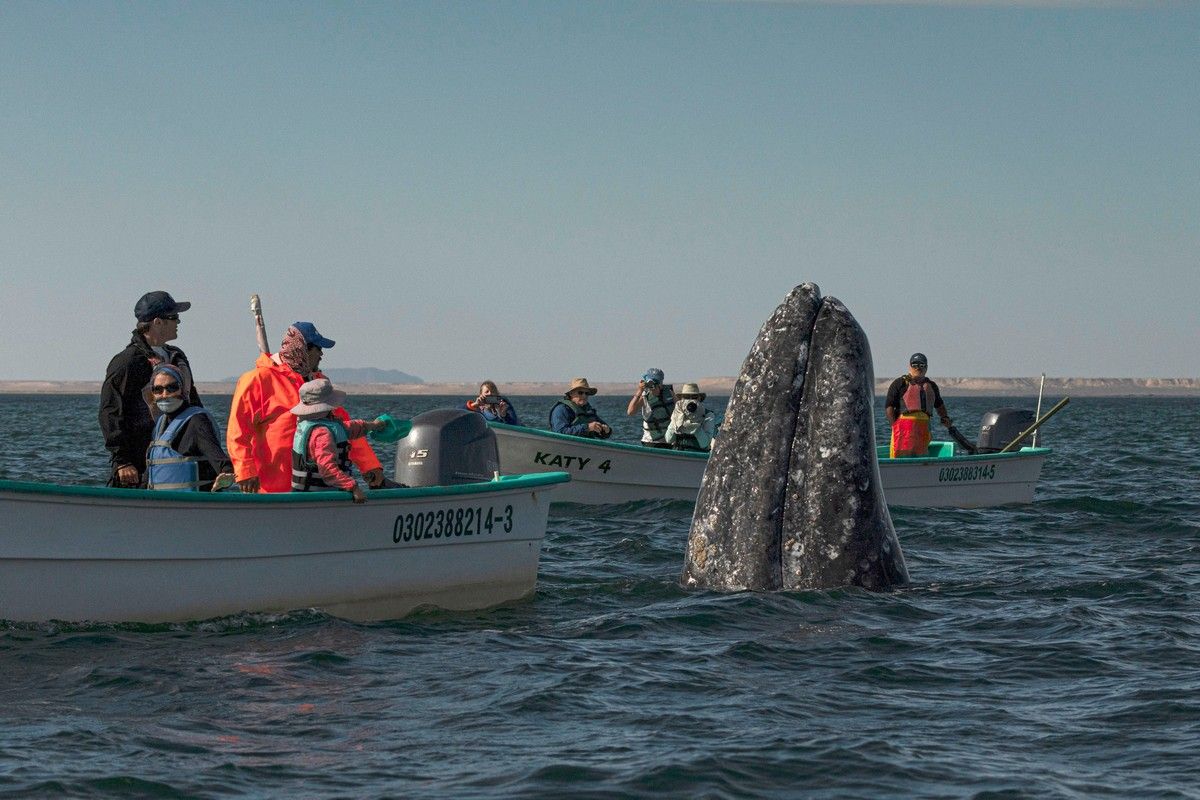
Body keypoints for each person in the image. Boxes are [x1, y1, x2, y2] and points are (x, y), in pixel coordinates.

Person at [226, 322, 386, 493]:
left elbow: (342, 427)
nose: (322, 354)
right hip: (273, 490)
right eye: (318, 348)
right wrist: (245, 471)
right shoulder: (257, 380)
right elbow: (238, 431)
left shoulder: (319, 384)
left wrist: (370, 465)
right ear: (303, 350)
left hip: (320, 488)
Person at [99, 290, 203, 488]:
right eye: (174, 317)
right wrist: (122, 461)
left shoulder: (177, 358)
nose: (178, 322)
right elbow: (110, 411)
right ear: (158, 322)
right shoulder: (126, 362)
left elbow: (193, 402)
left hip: (177, 457)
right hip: (138, 464)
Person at [290, 378, 388, 503]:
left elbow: (348, 428)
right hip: (318, 500)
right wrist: (353, 487)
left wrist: (373, 425)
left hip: (303, 495)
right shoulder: (322, 433)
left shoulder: (308, 425)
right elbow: (327, 469)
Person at [144, 364, 235, 492]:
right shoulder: (160, 425)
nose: (165, 394)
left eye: (172, 388)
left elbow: (220, 460)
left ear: (182, 389)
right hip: (161, 501)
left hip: (193, 501)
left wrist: (226, 475)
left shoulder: (197, 421)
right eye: (158, 389)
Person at [885, 352, 952, 458]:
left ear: (926, 367)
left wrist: (945, 417)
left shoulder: (931, 386)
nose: (918, 368)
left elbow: (939, 404)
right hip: (903, 429)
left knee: (922, 455)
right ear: (909, 366)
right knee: (900, 455)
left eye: (921, 365)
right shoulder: (899, 383)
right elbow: (889, 406)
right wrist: (894, 426)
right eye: (914, 365)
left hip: (923, 428)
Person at [625, 367, 675, 448]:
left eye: (656, 383)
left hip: (669, 440)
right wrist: (639, 390)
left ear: (661, 383)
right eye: (650, 383)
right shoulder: (644, 396)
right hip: (650, 441)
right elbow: (630, 412)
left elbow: (679, 408)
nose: (653, 386)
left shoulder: (669, 393)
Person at [664, 383, 716, 452]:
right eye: (687, 397)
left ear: (699, 398)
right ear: (682, 399)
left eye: (694, 397)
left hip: (696, 456)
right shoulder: (677, 414)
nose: (690, 400)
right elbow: (668, 439)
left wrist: (696, 428)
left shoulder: (708, 415)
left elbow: (705, 444)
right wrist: (676, 422)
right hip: (678, 454)